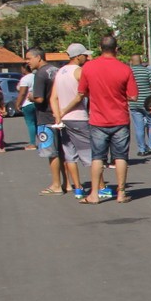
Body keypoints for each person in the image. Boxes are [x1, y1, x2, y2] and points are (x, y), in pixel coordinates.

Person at [72, 35, 137, 204]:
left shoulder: (89, 67)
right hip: (120, 118)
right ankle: (121, 193)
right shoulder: (125, 69)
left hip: (98, 119)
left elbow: (81, 92)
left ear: (100, 48)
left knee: (97, 157)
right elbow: (133, 95)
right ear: (116, 49)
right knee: (121, 157)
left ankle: (94, 194)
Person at [51, 44, 98, 199]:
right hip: (78, 116)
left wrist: (58, 114)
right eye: (85, 55)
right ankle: (100, 187)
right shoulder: (79, 71)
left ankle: (77, 187)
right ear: (78, 56)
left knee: (69, 154)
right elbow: (82, 94)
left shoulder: (60, 72)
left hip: (64, 120)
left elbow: (53, 98)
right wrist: (65, 111)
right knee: (91, 154)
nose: (87, 58)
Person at [26, 47, 66, 194]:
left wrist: (30, 97)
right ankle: (67, 183)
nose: (27, 62)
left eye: (29, 58)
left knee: (51, 152)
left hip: (45, 116)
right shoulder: (56, 70)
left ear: (39, 58)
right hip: (60, 114)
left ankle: (56, 184)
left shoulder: (40, 74)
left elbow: (39, 98)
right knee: (63, 152)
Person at [128, 54, 151, 157]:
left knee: (139, 127)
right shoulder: (147, 71)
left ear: (131, 62)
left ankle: (142, 149)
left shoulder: (129, 72)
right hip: (148, 103)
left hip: (134, 103)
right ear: (141, 62)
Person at [15, 63, 37, 150]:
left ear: (24, 69)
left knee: (30, 123)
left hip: (27, 102)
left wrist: (18, 103)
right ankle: (43, 140)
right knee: (37, 123)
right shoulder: (36, 77)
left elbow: (22, 92)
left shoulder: (25, 79)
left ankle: (32, 143)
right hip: (37, 101)